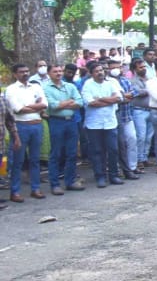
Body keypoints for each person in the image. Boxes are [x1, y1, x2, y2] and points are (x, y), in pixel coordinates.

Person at [6, 62, 48, 201]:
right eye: (21, 72)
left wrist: (29, 107)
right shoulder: (11, 89)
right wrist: (36, 107)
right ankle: (15, 191)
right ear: (15, 74)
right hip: (20, 126)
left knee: (35, 160)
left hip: (36, 125)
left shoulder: (35, 87)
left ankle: (35, 189)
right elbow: (18, 109)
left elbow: (45, 104)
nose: (25, 73)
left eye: (26, 71)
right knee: (18, 160)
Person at [81, 62, 126, 187]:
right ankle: (100, 176)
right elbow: (90, 103)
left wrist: (100, 98)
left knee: (113, 149)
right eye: (96, 71)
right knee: (97, 151)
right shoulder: (87, 85)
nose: (100, 72)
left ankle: (114, 175)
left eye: (101, 70)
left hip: (110, 122)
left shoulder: (110, 83)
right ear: (91, 73)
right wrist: (108, 100)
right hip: (94, 124)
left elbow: (119, 99)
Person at [42, 63, 85, 194]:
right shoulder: (45, 88)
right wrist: (69, 102)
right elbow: (52, 106)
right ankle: (55, 184)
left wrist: (63, 104)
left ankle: (70, 181)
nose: (59, 73)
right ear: (49, 73)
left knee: (72, 153)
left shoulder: (70, 86)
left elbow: (80, 102)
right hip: (56, 122)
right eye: (55, 71)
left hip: (71, 121)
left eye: (60, 71)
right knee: (56, 153)